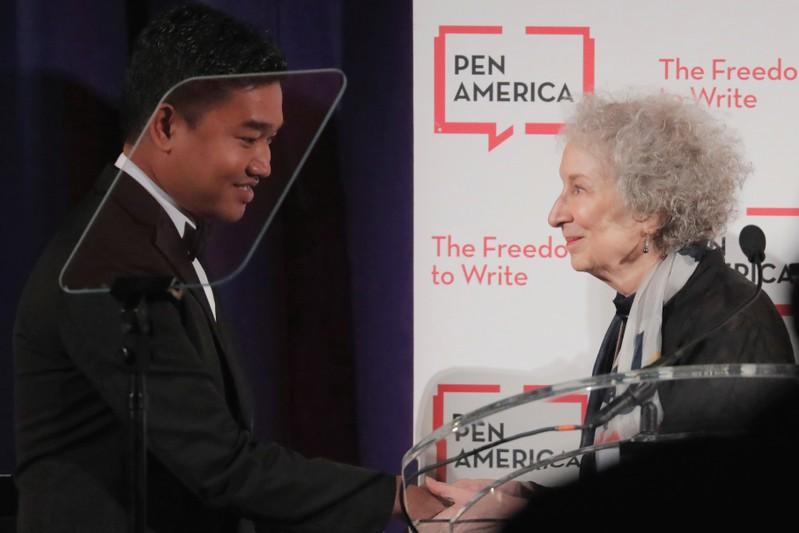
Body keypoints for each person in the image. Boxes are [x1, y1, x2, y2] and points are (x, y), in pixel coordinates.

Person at [13, 4, 441, 532]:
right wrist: (401, 499)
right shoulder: (111, 261)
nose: (264, 164)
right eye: (247, 137)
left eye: (271, 140)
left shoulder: (150, 236)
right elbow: (219, 465)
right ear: (167, 123)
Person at [546, 93, 795, 465]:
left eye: (578, 189)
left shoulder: (728, 322)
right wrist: (518, 501)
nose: (555, 214)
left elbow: (714, 500)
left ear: (648, 209)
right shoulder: (637, 313)